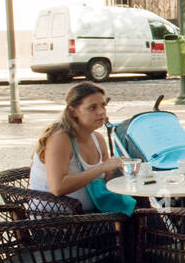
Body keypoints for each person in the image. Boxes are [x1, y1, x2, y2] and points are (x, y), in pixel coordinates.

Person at [30, 81, 125, 210]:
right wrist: (103, 167)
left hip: (96, 214)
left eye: (103, 105)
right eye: (92, 107)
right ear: (73, 111)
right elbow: (58, 187)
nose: (101, 112)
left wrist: (126, 171)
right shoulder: (60, 138)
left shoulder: (98, 139)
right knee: (139, 219)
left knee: (142, 208)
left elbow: (108, 178)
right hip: (55, 219)